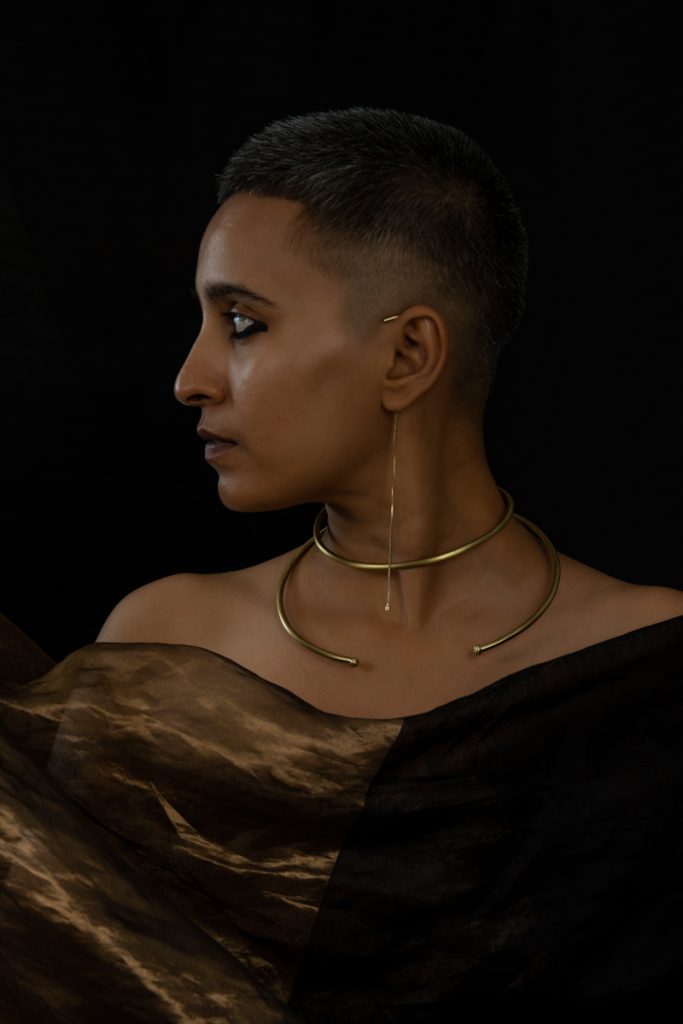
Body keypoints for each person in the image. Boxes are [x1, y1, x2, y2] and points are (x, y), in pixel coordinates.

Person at [1, 106, 682, 1021]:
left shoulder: (649, 673)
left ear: (406, 355)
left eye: (241, 322)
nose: (190, 378)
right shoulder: (163, 648)